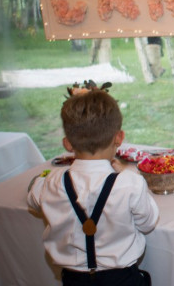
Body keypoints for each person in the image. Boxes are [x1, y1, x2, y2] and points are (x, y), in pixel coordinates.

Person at [27, 87, 159, 286]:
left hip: (73, 280)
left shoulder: (52, 182)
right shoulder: (129, 183)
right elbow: (148, 222)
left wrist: (39, 180)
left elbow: (32, 197)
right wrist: (129, 172)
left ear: (67, 144)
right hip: (122, 279)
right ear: (119, 138)